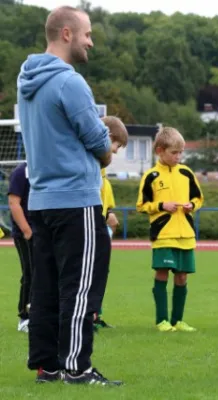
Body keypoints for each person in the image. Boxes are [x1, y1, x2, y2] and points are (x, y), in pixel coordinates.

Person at [17, 6, 120, 385]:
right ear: (66, 33)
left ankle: (47, 366)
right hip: (75, 199)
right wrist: (107, 151)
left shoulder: (25, 77)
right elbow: (98, 141)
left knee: (44, 288)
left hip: (40, 198)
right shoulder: (70, 82)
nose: (91, 41)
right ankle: (78, 367)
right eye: (87, 33)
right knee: (79, 288)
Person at [136, 126, 203, 333]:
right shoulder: (151, 176)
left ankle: (178, 321)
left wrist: (193, 205)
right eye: (174, 153)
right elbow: (141, 205)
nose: (178, 156)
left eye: (181, 152)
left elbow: (198, 198)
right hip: (163, 235)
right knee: (162, 274)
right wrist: (161, 206)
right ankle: (162, 320)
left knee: (182, 276)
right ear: (160, 151)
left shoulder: (187, 173)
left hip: (186, 235)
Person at [94, 116, 129, 331]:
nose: (116, 151)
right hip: (89, 224)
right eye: (117, 145)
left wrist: (110, 212)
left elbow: (105, 195)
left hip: (101, 224)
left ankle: (95, 314)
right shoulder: (93, 165)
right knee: (89, 272)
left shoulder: (103, 169)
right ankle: (87, 316)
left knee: (100, 272)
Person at [8, 162, 33, 333]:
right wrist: (27, 230)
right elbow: (13, 203)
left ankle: (40, 314)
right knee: (30, 272)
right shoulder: (21, 172)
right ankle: (24, 317)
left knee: (46, 274)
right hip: (26, 233)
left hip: (44, 232)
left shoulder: (47, 169)